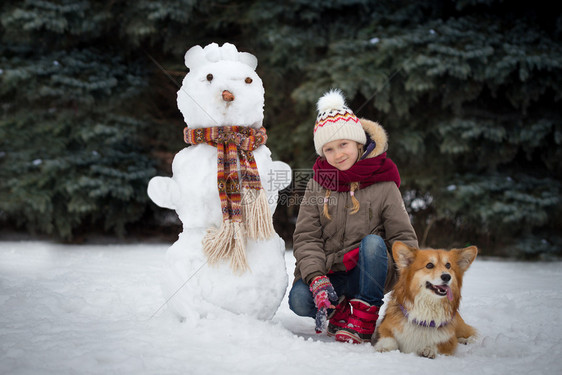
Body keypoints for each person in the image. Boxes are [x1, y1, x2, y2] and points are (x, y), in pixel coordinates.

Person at [288, 89, 419, 344]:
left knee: (372, 243)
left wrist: (411, 285)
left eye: (343, 144)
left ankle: (365, 311)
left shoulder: (384, 184)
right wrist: (316, 278)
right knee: (299, 301)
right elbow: (306, 237)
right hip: (331, 273)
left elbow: (402, 236)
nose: (338, 154)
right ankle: (340, 309)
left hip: (369, 273)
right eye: (329, 149)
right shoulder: (317, 184)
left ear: (358, 143)